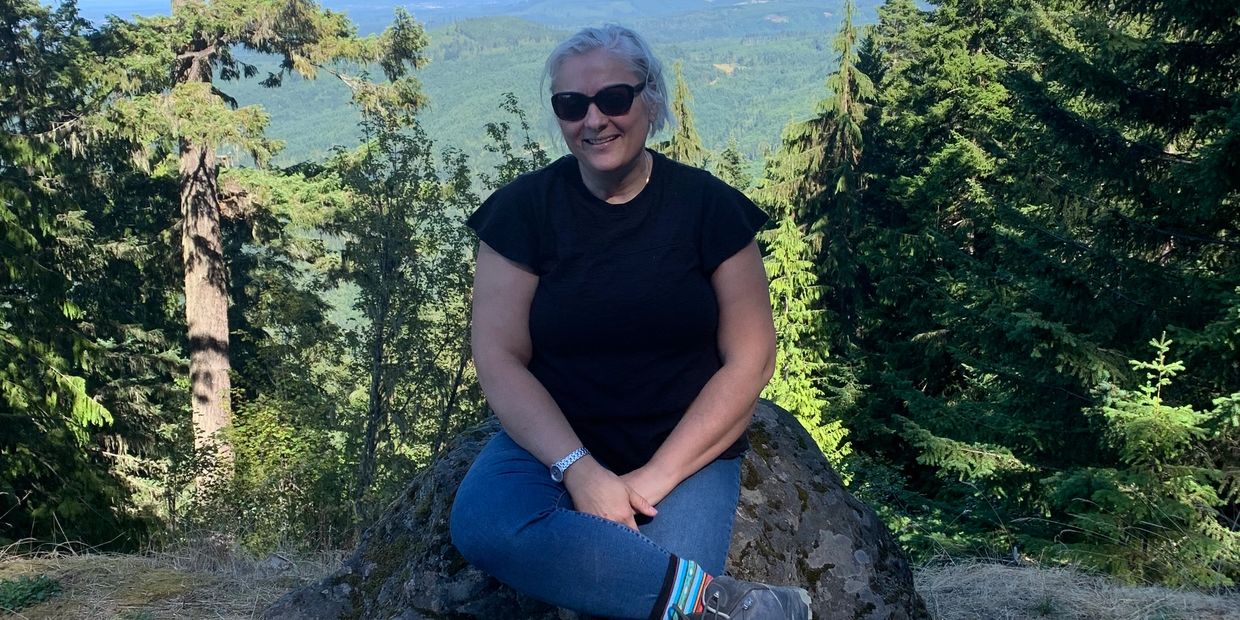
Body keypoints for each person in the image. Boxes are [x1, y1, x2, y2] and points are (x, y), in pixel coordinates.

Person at [449, 24, 813, 620]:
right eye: (572, 105)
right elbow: (498, 356)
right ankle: (730, 606)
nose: (594, 120)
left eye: (614, 98)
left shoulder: (707, 208)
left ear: (651, 99)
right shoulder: (523, 213)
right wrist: (579, 470)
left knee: (632, 598)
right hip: (552, 441)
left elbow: (752, 357)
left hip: (685, 445)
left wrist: (651, 480)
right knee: (486, 524)